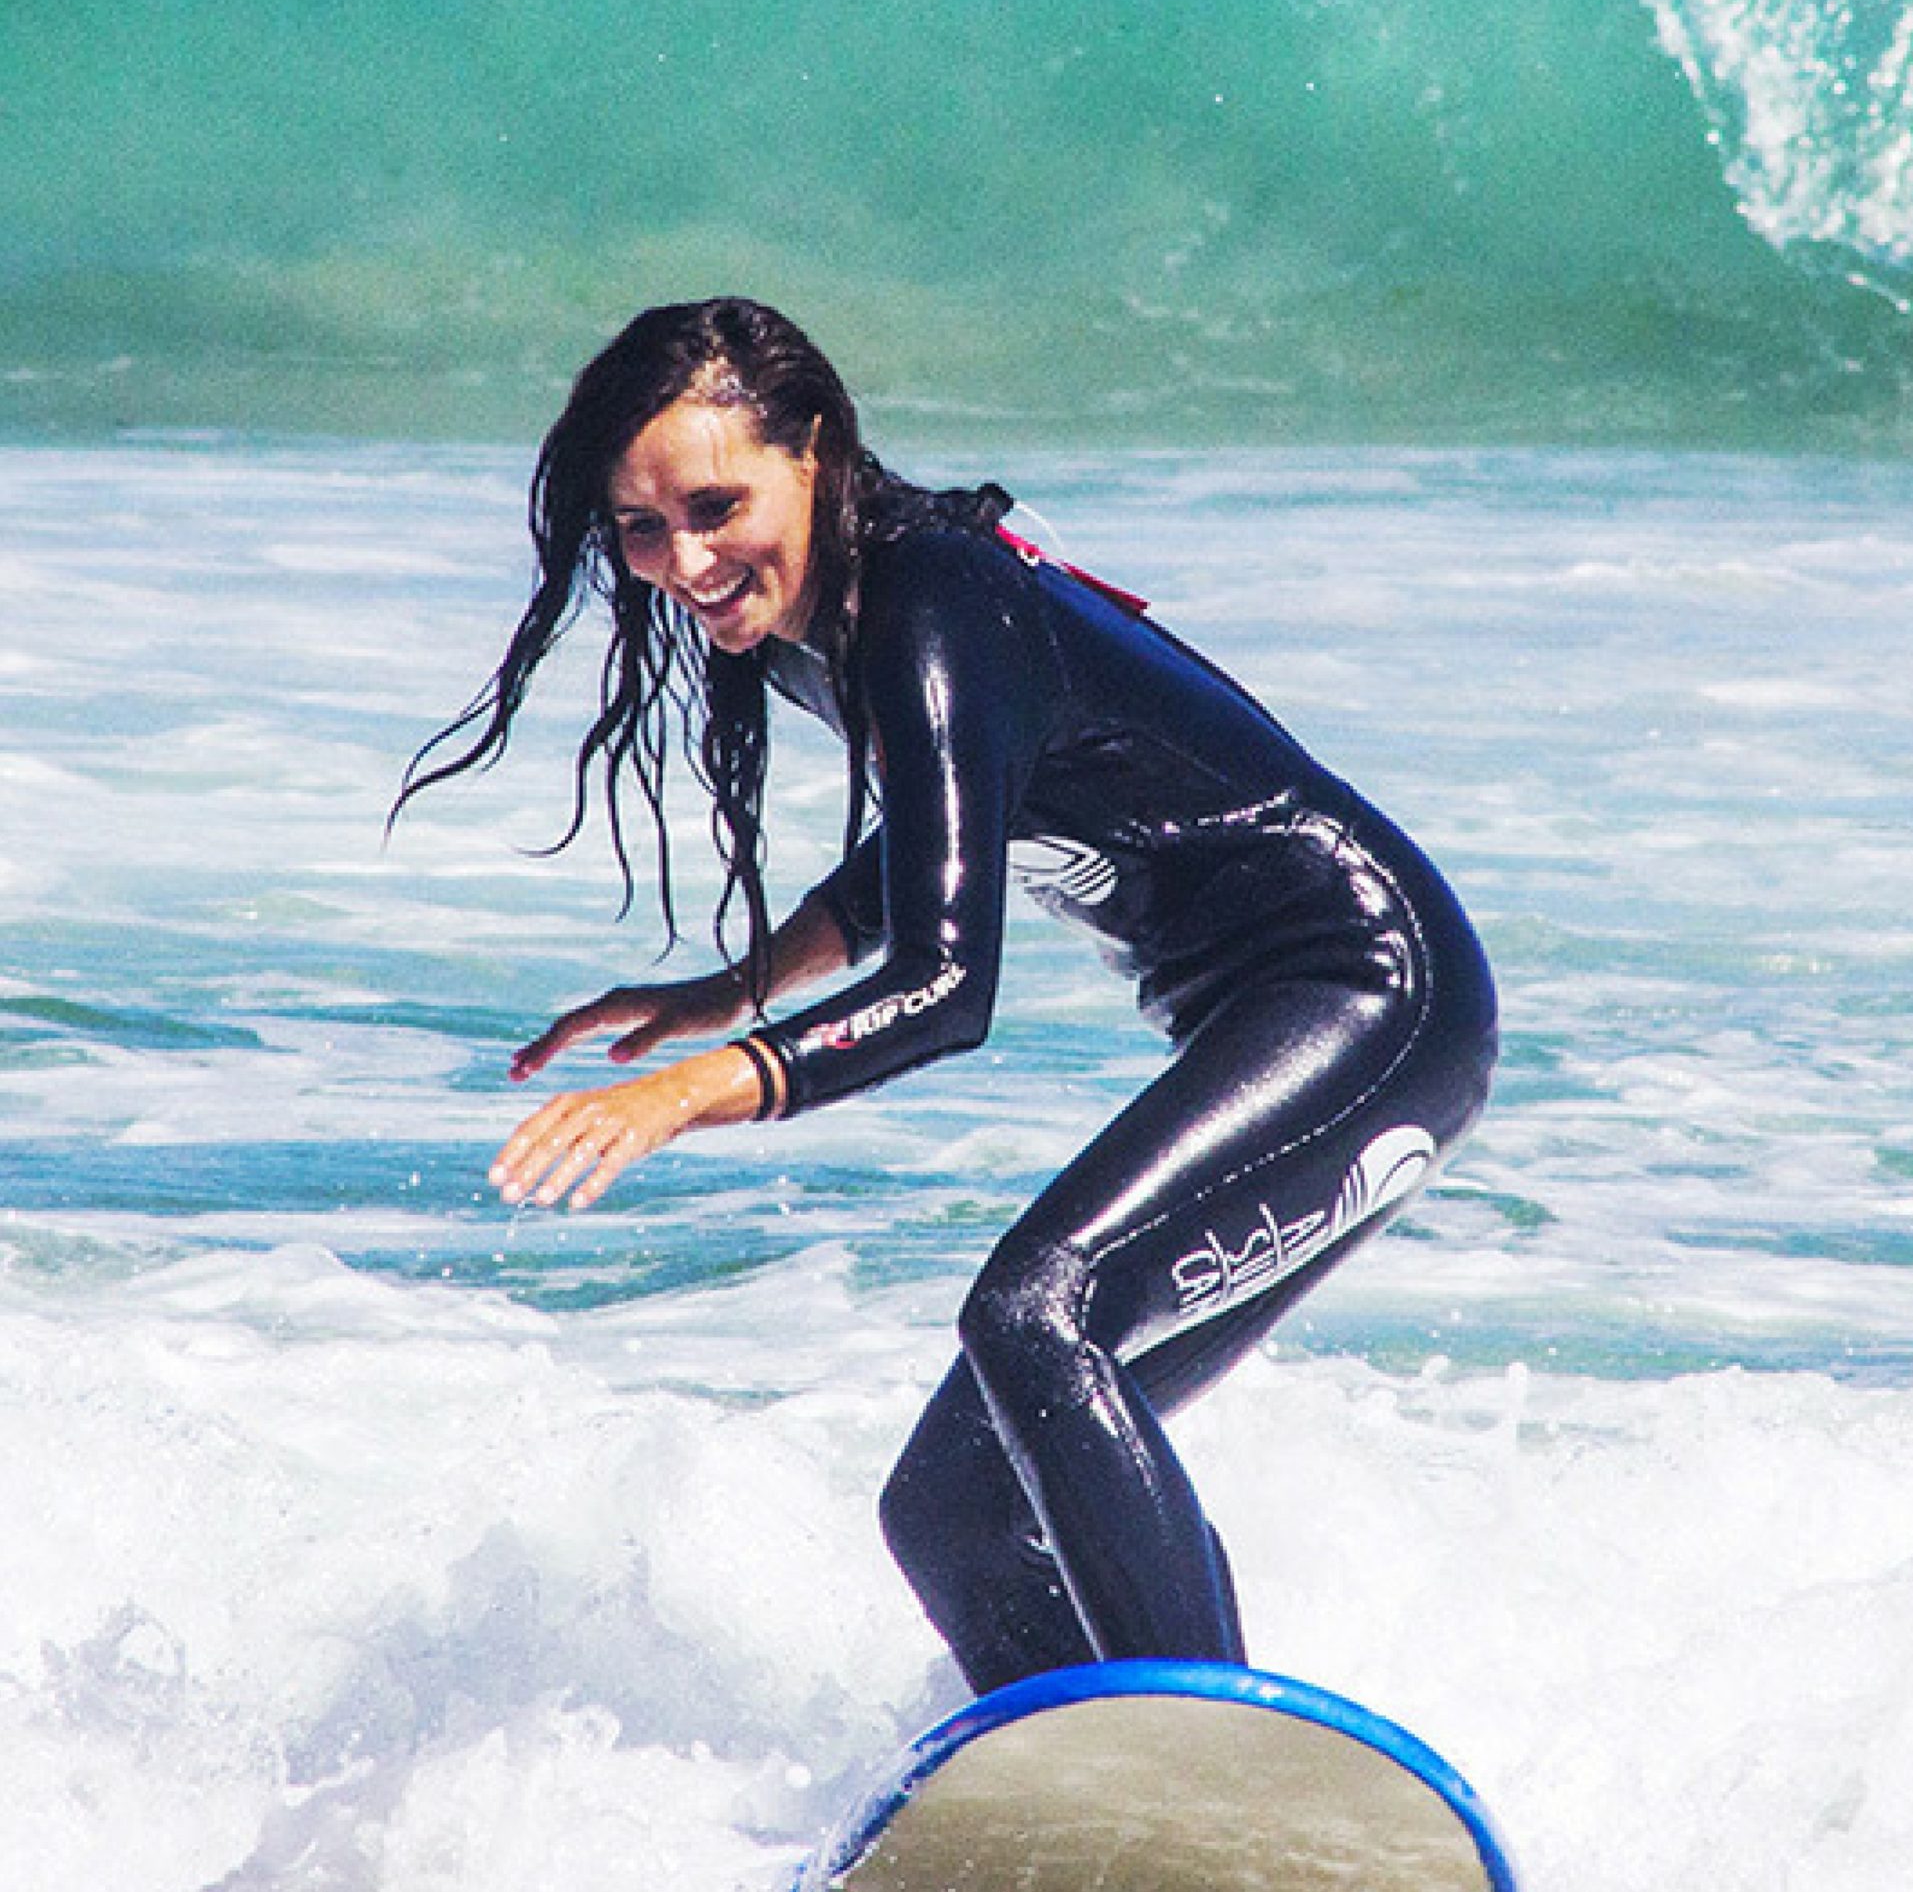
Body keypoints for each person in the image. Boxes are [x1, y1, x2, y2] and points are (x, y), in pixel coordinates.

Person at [398, 298, 1498, 1694]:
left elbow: (944, 985)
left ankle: (1214, 1770)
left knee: (1037, 1312)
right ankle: (1089, 1792)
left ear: (816, 451)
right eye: (640, 528)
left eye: (717, 505)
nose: (683, 561)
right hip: (1291, 1028)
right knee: (953, 1511)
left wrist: (687, 1093)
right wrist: (736, 987)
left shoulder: (933, 597)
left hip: (1376, 1000)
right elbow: (945, 838)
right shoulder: (829, 624)